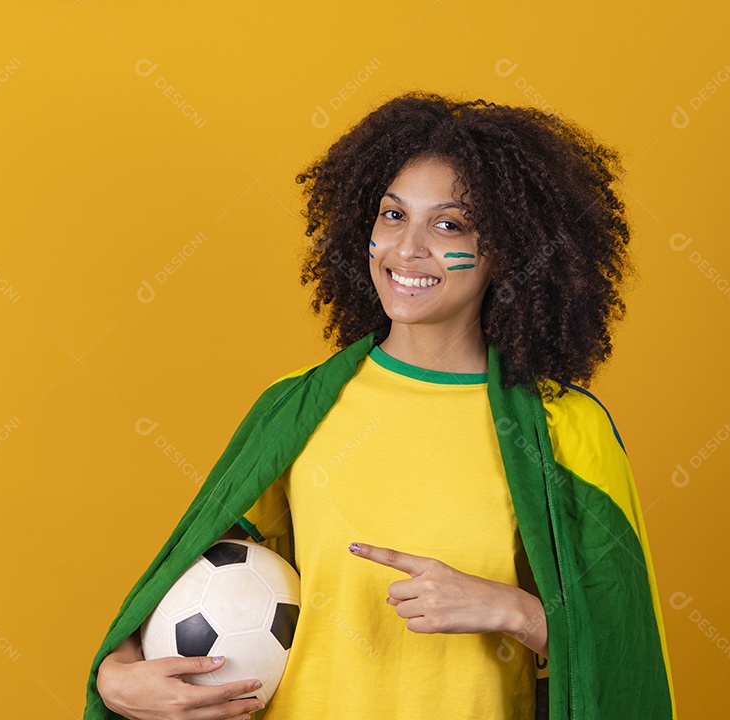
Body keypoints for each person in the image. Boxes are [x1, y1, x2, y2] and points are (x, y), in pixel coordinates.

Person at [85, 91, 675, 720]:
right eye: (393, 216)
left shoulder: (566, 430)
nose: (407, 249)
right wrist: (117, 675)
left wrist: (515, 612)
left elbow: (625, 656)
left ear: (505, 249)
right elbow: (186, 577)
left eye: (448, 225)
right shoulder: (298, 408)